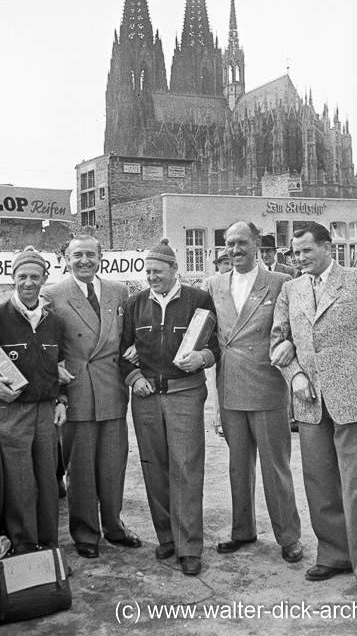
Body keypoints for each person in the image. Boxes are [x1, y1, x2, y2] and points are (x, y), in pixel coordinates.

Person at [270, 221, 357, 604]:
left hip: (355, 400)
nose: (300, 258)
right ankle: (335, 554)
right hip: (310, 403)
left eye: (307, 250)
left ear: (328, 247)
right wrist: (294, 377)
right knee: (320, 483)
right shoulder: (291, 290)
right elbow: (279, 341)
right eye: (296, 252)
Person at [119, 238, 219, 576]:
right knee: (154, 467)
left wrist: (202, 358)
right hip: (146, 397)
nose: (152, 277)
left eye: (158, 271)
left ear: (175, 270)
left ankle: (189, 547)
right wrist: (133, 376)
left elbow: (215, 346)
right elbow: (122, 350)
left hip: (185, 394)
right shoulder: (135, 304)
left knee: (187, 468)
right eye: (147, 271)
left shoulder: (198, 299)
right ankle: (167, 537)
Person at [0, 246, 66, 554]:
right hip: (9, 412)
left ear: (45, 278)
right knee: (19, 485)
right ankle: (23, 549)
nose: (28, 283)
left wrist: (61, 399)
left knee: (47, 483)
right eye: (22, 276)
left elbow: (61, 367)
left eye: (35, 276)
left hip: (45, 413)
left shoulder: (53, 322)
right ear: (12, 278)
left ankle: (49, 549)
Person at [208, 221, 302, 563]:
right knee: (237, 466)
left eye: (241, 243)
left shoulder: (280, 283)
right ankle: (242, 530)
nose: (235, 250)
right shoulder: (214, 284)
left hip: (267, 389)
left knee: (276, 467)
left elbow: (296, 327)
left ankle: (289, 536)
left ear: (257, 245)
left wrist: (290, 344)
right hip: (230, 387)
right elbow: (203, 333)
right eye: (229, 243)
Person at [42, 235, 140, 559]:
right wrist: (51, 369)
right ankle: (85, 533)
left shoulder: (118, 291)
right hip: (77, 391)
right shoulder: (53, 295)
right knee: (80, 469)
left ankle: (114, 526)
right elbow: (37, 337)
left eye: (90, 255)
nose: (84, 261)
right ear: (65, 259)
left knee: (113, 465)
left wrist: (138, 345)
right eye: (77, 255)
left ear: (101, 257)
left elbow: (132, 333)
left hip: (112, 389)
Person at [201, 247, 232, 437]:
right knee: (218, 380)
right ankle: (220, 421)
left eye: (230, 262)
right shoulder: (210, 283)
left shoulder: (238, 282)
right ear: (218, 265)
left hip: (235, 339)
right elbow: (203, 312)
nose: (229, 266)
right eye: (224, 263)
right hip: (217, 339)